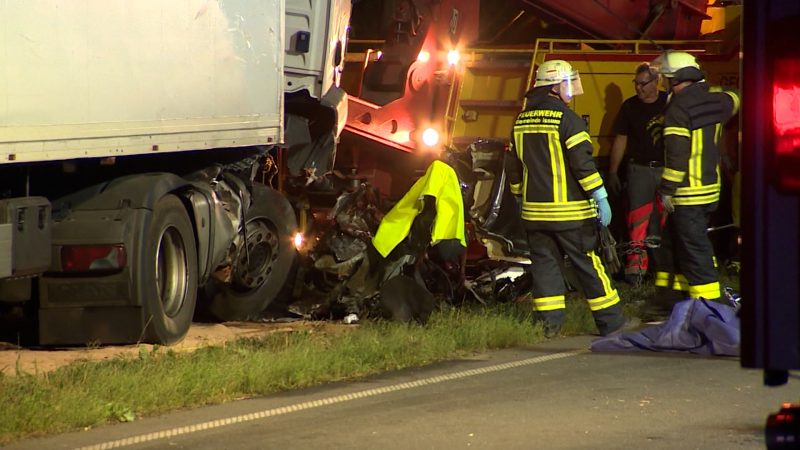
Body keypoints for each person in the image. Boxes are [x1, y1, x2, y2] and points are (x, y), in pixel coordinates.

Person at [505, 60, 626, 338]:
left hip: (535, 215)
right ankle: (611, 322)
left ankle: (549, 327)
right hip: (571, 214)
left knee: (545, 268)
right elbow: (583, 165)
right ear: (555, 87)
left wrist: (519, 196)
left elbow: (513, 166)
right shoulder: (568, 120)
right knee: (588, 264)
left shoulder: (521, 119)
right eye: (567, 84)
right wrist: (600, 195)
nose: (571, 90)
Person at [645, 51, 740, 319]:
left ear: (676, 80)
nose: (663, 83)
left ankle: (711, 310)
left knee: (695, 251)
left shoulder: (677, 109)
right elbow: (736, 95)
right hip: (710, 190)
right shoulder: (718, 100)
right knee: (672, 245)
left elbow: (676, 157)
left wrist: (666, 190)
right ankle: (670, 299)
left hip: (687, 193)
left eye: (666, 78)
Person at [607, 63, 669, 284]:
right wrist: (613, 172)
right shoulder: (629, 107)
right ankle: (636, 272)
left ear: (657, 82)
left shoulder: (669, 103)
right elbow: (620, 140)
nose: (639, 88)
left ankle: (662, 270)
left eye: (644, 84)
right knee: (637, 221)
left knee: (663, 223)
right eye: (636, 84)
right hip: (639, 171)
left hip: (665, 171)